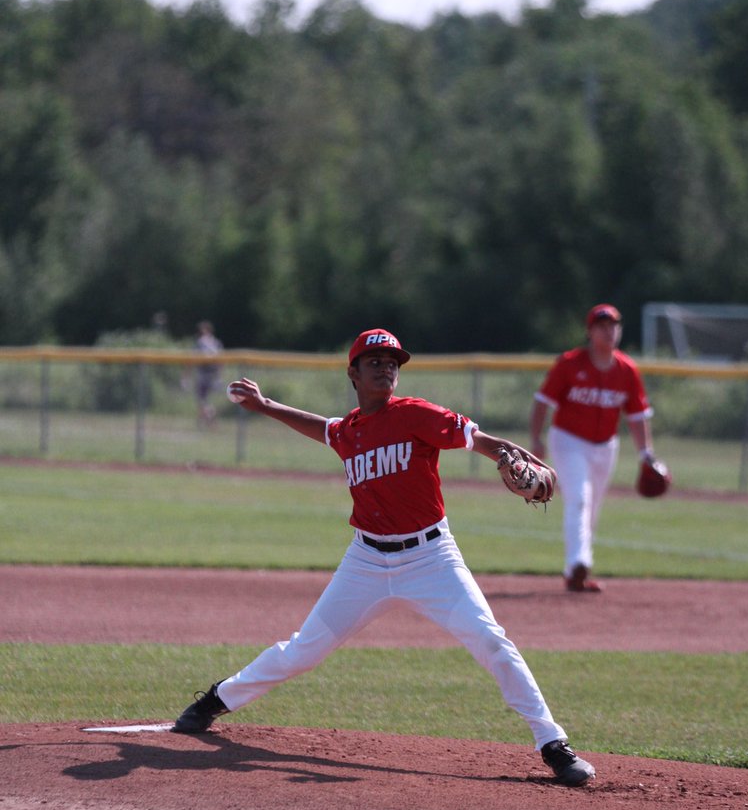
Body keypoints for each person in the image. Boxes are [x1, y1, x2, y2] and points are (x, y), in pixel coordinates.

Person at [174, 327, 595, 786]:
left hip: (432, 558)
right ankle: (216, 699)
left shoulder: (415, 413)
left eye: (393, 361)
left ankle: (552, 744)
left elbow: (479, 440)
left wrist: (522, 460)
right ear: (353, 373)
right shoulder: (350, 430)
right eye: (375, 360)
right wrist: (267, 406)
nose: (387, 367)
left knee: (492, 641)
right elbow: (325, 430)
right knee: (303, 651)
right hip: (366, 563)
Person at [530, 304, 655, 593]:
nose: (609, 331)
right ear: (590, 332)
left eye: (614, 325)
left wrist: (646, 453)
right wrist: (536, 439)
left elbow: (637, 416)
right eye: (602, 326)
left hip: (606, 446)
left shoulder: (627, 370)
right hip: (568, 440)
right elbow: (542, 401)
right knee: (580, 500)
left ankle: (577, 573)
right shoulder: (570, 363)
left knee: (593, 508)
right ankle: (578, 563)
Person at [194, 320, 223, 425]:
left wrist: (185, 376)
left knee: (202, 400)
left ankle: (207, 418)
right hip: (214, 375)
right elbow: (221, 361)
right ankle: (205, 420)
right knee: (205, 400)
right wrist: (219, 376)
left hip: (204, 375)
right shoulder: (215, 342)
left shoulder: (200, 342)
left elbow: (191, 360)